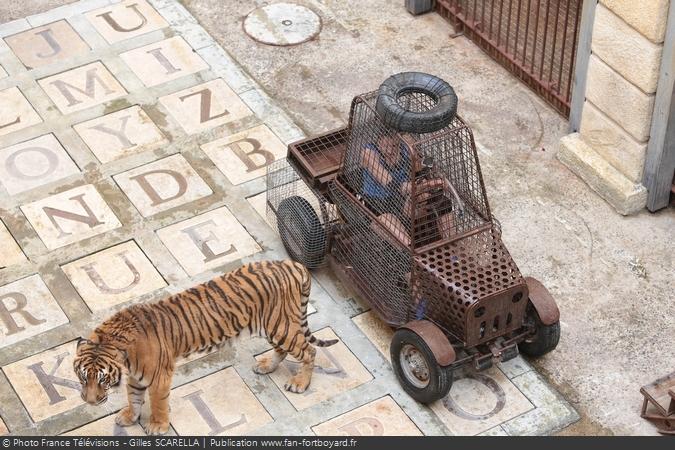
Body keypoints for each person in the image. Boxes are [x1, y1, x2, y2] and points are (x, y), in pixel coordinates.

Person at [359, 132, 463, 247]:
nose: (389, 151)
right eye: (386, 146)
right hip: (379, 205)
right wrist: (421, 186)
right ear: (378, 143)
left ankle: (453, 246)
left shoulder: (404, 149)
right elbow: (391, 185)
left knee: (440, 201)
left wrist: (431, 173)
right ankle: (411, 253)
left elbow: (421, 166)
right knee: (388, 221)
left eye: (394, 146)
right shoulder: (369, 153)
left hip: (401, 201)